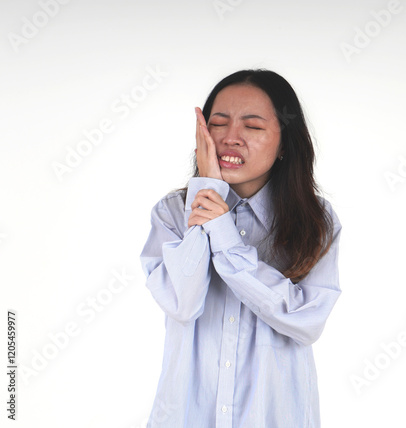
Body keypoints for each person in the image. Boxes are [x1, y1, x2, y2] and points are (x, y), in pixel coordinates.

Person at [140, 69, 342, 427]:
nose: (231, 138)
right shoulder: (172, 212)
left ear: (284, 144)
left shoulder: (316, 219)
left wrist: (224, 234)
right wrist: (209, 195)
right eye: (218, 123)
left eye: (252, 126)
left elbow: (306, 321)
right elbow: (182, 303)